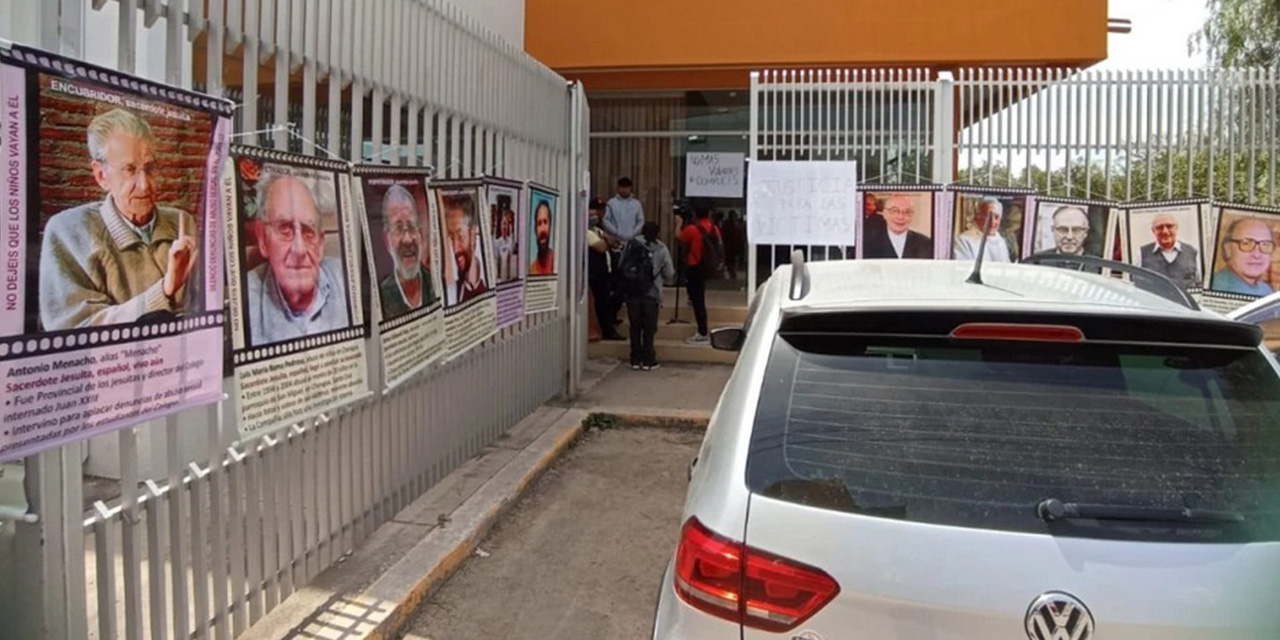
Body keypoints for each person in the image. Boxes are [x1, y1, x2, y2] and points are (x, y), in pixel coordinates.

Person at [40, 108, 199, 330]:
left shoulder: (181, 223)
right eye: (129, 170)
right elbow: (74, 332)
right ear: (101, 175)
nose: (144, 185)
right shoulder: (68, 232)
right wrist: (165, 290)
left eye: (150, 168)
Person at [246, 172, 350, 346]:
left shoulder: (349, 282)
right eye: (285, 229)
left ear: (321, 244)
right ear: (263, 239)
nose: (299, 249)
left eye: (309, 232)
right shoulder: (245, 301)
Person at [378, 185, 437, 318]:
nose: (408, 239)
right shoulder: (381, 297)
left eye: (411, 227)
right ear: (387, 240)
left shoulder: (436, 283)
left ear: (420, 234)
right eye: (398, 229)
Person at [625, 221, 674, 371]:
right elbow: (669, 273)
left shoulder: (632, 244)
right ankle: (648, 359)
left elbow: (622, 264)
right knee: (649, 328)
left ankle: (635, 358)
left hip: (632, 292)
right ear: (658, 233)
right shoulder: (661, 248)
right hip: (652, 293)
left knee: (635, 326)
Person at [678, 206, 723, 344]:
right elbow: (719, 243)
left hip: (694, 266)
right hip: (706, 265)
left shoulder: (692, 229)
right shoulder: (714, 228)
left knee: (698, 301)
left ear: (694, 214)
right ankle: (702, 330)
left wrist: (678, 223)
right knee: (699, 297)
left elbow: (679, 237)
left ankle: (703, 332)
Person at [586, 199, 624, 341]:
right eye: (591, 215)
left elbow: (612, 241)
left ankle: (609, 324)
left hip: (605, 271)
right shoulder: (587, 232)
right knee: (601, 303)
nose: (595, 217)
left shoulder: (598, 230)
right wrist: (608, 241)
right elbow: (601, 247)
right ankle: (607, 330)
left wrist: (608, 241)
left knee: (609, 299)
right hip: (594, 273)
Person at [443, 196, 489, 305]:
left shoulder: (488, 282)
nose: (455, 247)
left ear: (473, 234)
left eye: (460, 236)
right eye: (451, 238)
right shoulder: (455, 288)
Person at [1211, 217, 1276, 296]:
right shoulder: (1216, 286)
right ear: (1228, 249)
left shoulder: (1266, 290)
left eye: (1265, 244)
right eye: (1246, 243)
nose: (1257, 255)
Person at [1139, 213, 1200, 290]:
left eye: (1169, 226)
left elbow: (1200, 284)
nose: (1165, 231)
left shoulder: (1193, 253)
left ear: (1176, 228)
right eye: (1159, 227)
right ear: (1153, 230)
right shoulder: (1141, 254)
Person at [863, 193, 933, 259]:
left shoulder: (926, 243)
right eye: (894, 211)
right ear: (884, 214)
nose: (900, 217)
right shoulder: (868, 243)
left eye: (907, 212)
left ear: (912, 216)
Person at [953, 197, 1012, 263]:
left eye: (996, 217)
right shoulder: (963, 240)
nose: (992, 222)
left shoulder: (1001, 241)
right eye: (988, 216)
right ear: (978, 217)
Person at [604, 177, 644, 243]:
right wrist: (615, 232)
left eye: (626, 187)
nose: (624, 190)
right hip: (615, 240)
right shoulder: (611, 203)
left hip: (633, 240)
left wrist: (633, 233)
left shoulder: (636, 204)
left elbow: (641, 220)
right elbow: (606, 219)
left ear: (630, 188)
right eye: (622, 187)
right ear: (618, 188)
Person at [529, 200, 556, 276]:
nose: (543, 229)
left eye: (545, 222)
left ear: (550, 227)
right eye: (539, 223)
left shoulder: (559, 262)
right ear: (535, 230)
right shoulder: (531, 270)